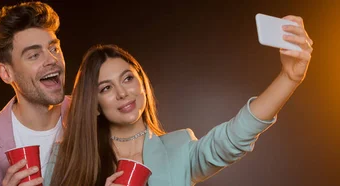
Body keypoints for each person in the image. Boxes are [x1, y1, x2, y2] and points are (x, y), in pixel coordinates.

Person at [49, 16, 313, 186]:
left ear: (141, 82)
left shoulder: (179, 148)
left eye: (127, 79)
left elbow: (234, 137)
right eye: (106, 88)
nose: (122, 93)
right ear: (94, 104)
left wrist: (289, 77)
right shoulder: (65, 158)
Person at [0, 2, 70, 186]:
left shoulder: (92, 117)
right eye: (34, 55)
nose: (51, 59)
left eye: (54, 48)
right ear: (6, 73)